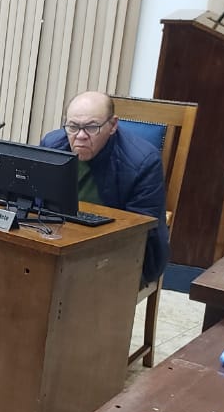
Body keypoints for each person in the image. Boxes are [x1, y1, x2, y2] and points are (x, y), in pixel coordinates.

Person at [41, 91, 169, 284]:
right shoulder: (52, 145)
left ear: (113, 125)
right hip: (63, 240)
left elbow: (140, 231)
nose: (80, 136)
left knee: (71, 285)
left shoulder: (143, 162)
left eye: (92, 127)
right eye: (73, 126)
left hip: (125, 253)